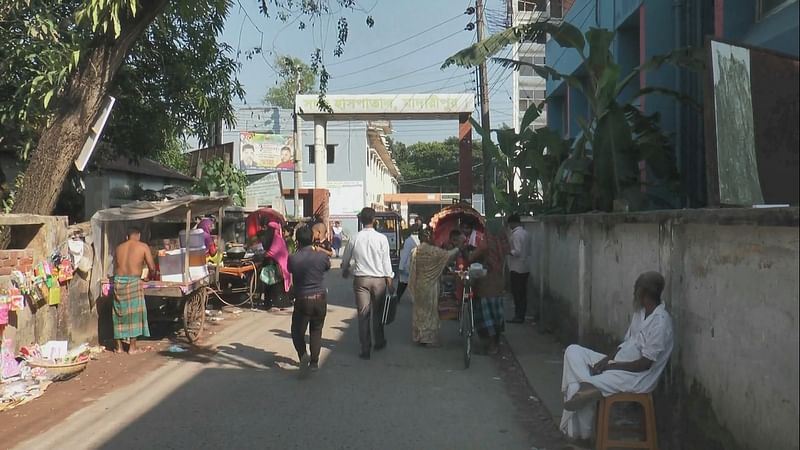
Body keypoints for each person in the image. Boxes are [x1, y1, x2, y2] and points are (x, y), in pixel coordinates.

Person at [559, 271, 674, 441]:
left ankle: (581, 433)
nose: (633, 294)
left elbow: (645, 364)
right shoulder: (640, 313)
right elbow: (625, 344)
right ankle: (587, 385)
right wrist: (606, 360)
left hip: (636, 377)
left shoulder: (660, 323)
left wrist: (612, 366)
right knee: (573, 351)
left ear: (643, 293)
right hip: (617, 363)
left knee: (574, 387)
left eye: (636, 290)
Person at [341, 207, 394, 360]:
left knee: (363, 314)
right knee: (378, 313)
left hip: (361, 280)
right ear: (374, 219)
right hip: (379, 281)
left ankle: (365, 348)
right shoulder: (381, 239)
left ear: (361, 220)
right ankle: (379, 341)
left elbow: (346, 259)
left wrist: (345, 270)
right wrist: (389, 281)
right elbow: (386, 262)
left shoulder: (354, 238)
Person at [288, 226, 331, 376]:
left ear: (297, 241)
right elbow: (327, 267)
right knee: (316, 330)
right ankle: (314, 363)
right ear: (312, 239)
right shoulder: (321, 257)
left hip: (302, 300)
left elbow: (291, 272)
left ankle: (302, 355)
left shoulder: (293, 258)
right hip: (320, 298)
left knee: (297, 331)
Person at [407, 228, 459, 347]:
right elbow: (448, 255)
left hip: (419, 285)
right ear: (429, 237)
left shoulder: (415, 251)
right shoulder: (434, 251)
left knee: (419, 311)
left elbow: (412, 269)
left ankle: (419, 336)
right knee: (430, 312)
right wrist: (457, 248)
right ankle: (428, 338)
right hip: (431, 287)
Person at [468, 218, 510, 354]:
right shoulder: (503, 244)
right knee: (497, 315)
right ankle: (495, 344)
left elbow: (472, 257)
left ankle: (491, 346)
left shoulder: (486, 243)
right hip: (499, 283)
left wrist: (468, 254)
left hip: (486, 285)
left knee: (487, 317)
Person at [112, 227, 155, 354]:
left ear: (127, 236)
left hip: (118, 281)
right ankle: (132, 347)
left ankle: (119, 347)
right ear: (139, 235)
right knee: (134, 314)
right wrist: (148, 277)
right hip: (133, 282)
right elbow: (152, 267)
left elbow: (116, 266)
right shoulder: (143, 246)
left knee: (118, 313)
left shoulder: (119, 247)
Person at [507, 214, 531, 323]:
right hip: (525, 266)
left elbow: (517, 251)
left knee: (517, 293)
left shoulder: (516, 235)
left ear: (512, 223)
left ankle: (518, 316)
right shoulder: (525, 233)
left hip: (516, 267)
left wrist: (508, 251)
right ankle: (521, 314)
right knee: (523, 293)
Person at [396, 225, 420, 302]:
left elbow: (405, 255)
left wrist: (400, 267)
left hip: (408, 265)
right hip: (417, 265)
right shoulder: (419, 240)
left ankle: (397, 298)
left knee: (403, 282)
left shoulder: (408, 241)